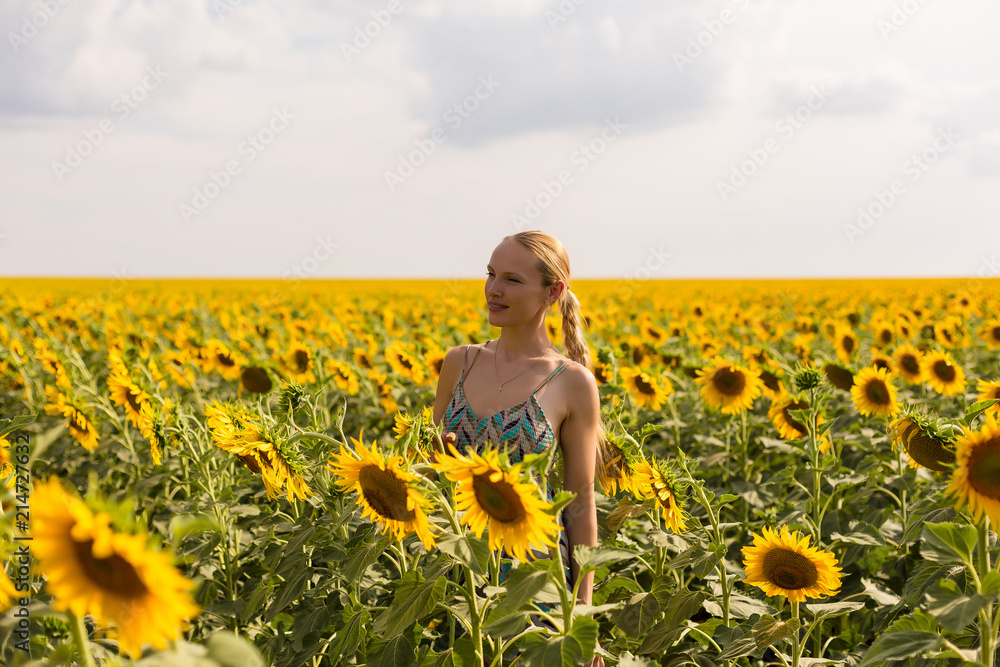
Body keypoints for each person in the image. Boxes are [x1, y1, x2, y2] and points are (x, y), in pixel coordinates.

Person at [432, 230, 610, 667]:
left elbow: (581, 503)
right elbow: (433, 464)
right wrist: (440, 455)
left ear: (554, 291)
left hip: (532, 571)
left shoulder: (571, 381)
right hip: (455, 561)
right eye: (491, 274)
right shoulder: (460, 361)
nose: (494, 289)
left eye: (512, 279)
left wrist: (581, 610)